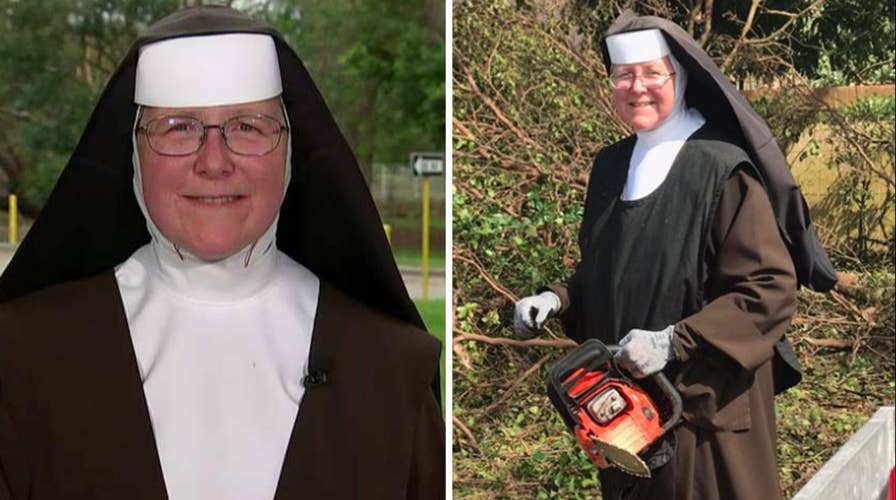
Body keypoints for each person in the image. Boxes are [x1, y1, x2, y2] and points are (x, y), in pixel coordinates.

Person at [0, 6, 443, 500]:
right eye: (178, 127)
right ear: (133, 155)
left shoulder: (390, 370)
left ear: (289, 153)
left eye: (248, 127)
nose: (214, 161)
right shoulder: (22, 357)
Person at [513, 10, 836, 500]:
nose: (636, 87)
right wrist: (556, 299)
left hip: (707, 415)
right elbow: (611, 268)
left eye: (650, 73)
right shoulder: (611, 165)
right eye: (624, 75)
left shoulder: (721, 166)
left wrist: (673, 340)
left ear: (678, 76)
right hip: (629, 416)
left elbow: (769, 287)